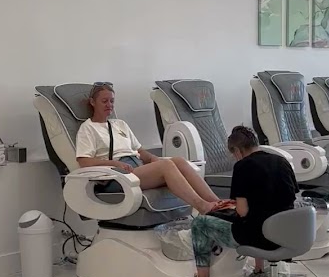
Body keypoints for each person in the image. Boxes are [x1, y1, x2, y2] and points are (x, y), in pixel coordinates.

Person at [176, 125, 299, 277]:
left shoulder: (243, 167)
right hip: (286, 233)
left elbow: (242, 212)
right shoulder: (281, 161)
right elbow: (288, 198)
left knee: (200, 223)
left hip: (258, 238)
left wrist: (228, 209)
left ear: (237, 151)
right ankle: (258, 270)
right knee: (260, 216)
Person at [76, 83, 221, 214]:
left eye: (112, 101)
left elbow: (139, 151)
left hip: (136, 167)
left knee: (179, 161)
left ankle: (218, 203)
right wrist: (114, 164)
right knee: (166, 165)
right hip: (116, 176)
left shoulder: (119, 124)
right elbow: (84, 161)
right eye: (104, 101)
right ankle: (201, 206)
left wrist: (153, 158)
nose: (109, 105)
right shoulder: (88, 128)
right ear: (93, 102)